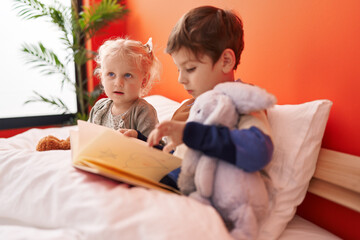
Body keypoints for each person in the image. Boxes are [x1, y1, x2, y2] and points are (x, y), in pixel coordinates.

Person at [147, 6, 274, 188]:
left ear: (226, 61)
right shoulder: (187, 107)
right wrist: (141, 140)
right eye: (178, 69)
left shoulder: (243, 99)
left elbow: (258, 150)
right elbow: (175, 158)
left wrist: (189, 133)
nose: (180, 79)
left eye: (190, 68)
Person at [88, 37, 161, 139]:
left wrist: (137, 137)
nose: (118, 83)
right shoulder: (99, 108)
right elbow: (88, 137)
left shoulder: (143, 111)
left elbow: (153, 149)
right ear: (102, 77)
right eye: (111, 74)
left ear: (144, 81)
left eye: (127, 75)